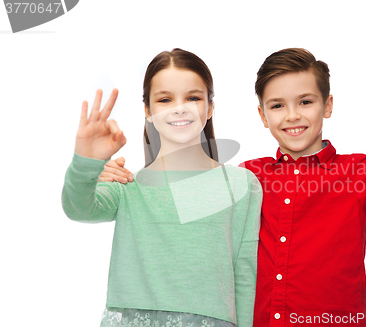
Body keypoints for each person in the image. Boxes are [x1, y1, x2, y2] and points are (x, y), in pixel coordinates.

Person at [101, 48, 366, 327]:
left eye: (305, 102)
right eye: (277, 105)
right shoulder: (247, 177)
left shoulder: (356, 171)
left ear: (328, 105)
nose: (292, 115)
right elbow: (162, 210)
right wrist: (113, 176)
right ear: (262, 114)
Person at [62, 48, 262, 327]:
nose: (180, 108)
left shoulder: (241, 184)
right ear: (148, 111)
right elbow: (77, 207)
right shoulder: (127, 185)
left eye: (193, 97)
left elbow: (245, 274)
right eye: (165, 99)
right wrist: (87, 162)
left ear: (210, 106)